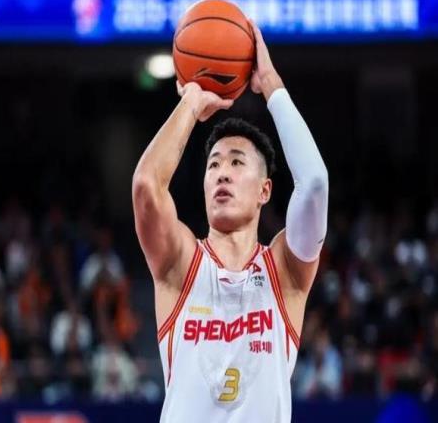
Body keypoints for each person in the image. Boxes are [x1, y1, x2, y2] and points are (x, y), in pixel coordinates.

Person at [132, 21, 328, 423]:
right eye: (214, 165)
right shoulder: (181, 263)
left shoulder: (284, 272)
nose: (222, 173)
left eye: (237, 163)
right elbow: (147, 187)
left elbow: (314, 185)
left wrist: (271, 85)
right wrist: (190, 103)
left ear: (265, 190)